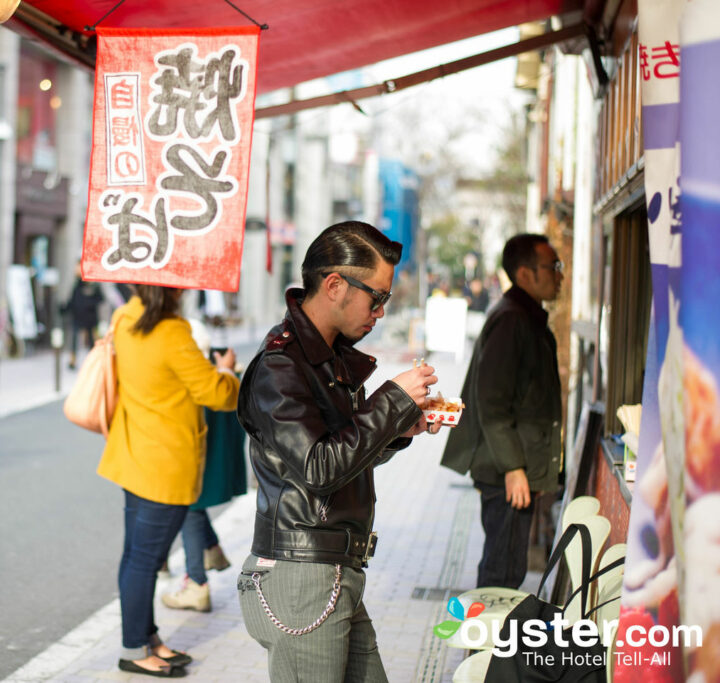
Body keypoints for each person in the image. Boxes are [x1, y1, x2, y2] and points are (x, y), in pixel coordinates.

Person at [236, 220, 441, 682]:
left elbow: (341, 453)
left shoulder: (325, 358)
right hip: (299, 576)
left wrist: (397, 428)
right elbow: (319, 466)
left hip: (329, 573)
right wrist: (392, 400)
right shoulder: (280, 365)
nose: (381, 312)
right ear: (335, 285)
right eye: (378, 297)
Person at [97, 285, 240, 677]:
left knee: (136, 556)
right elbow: (214, 393)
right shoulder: (173, 332)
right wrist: (227, 369)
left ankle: (147, 640)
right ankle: (134, 649)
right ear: (174, 290)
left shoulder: (125, 317)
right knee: (144, 560)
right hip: (166, 465)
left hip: (134, 454)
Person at [440, 233, 565, 589]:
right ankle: (486, 643)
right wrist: (513, 468)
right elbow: (492, 402)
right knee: (502, 571)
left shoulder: (525, 316)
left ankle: (489, 641)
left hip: (516, 468)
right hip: (506, 471)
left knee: (508, 567)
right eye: (553, 267)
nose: (560, 275)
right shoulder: (512, 319)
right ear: (525, 274)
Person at [161, 320, 247, 613]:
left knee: (189, 504)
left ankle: (197, 583)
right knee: (190, 504)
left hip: (178, 448)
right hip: (187, 446)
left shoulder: (180, 347)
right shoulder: (210, 355)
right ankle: (212, 551)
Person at [64, 263, 104, 369]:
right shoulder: (77, 284)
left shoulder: (94, 284)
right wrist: (65, 309)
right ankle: (73, 360)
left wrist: (89, 302)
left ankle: (93, 361)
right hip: (77, 316)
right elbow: (73, 300)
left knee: (92, 341)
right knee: (74, 340)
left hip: (90, 317)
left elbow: (100, 298)